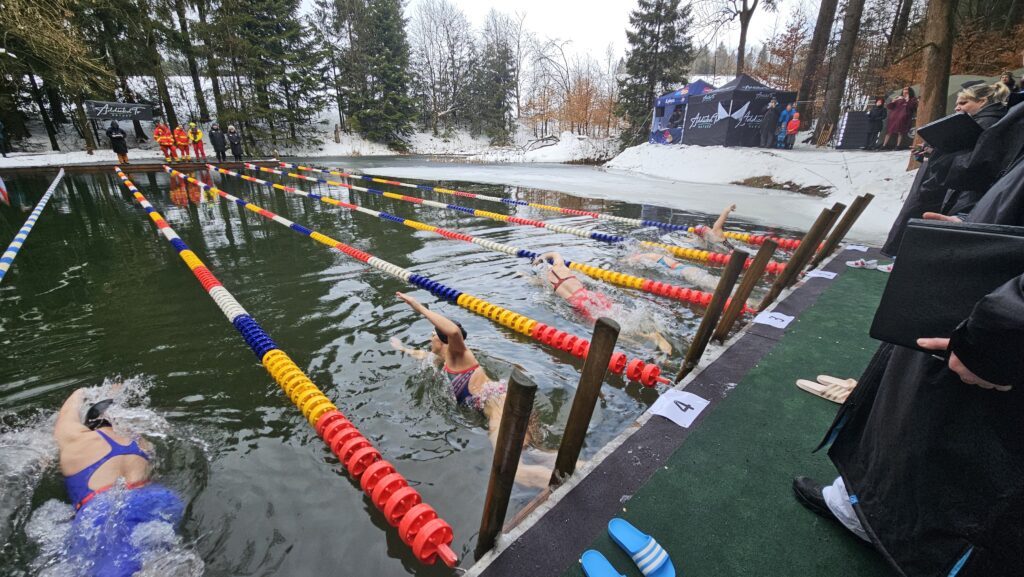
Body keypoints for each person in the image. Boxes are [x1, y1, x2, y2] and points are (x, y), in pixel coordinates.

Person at [793, 157, 1024, 576]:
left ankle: (931, 548)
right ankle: (869, 512)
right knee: (907, 419)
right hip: (980, 300)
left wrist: (1004, 329)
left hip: (997, 332)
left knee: (958, 444)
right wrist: (973, 230)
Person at [392, 292, 553, 487]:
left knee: (513, 471)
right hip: (506, 404)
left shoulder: (459, 353)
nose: (429, 337)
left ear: (442, 340)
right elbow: (422, 355)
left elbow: (453, 332)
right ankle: (581, 470)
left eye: (432, 334)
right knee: (537, 455)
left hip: (501, 411)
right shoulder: (446, 359)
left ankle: (579, 489)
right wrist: (402, 348)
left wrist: (418, 307)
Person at [55, 388, 184, 576]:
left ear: (89, 424)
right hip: (157, 498)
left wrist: (79, 393)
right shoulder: (141, 442)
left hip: (105, 509)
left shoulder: (77, 440)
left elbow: (66, 414)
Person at [881, 82, 1012, 256]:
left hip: (958, 193)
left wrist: (938, 158)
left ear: (982, 101)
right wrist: (932, 152)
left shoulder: (987, 124)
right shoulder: (977, 121)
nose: (957, 108)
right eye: (957, 103)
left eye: (963, 103)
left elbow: (974, 162)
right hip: (948, 187)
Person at [531, 251, 672, 354]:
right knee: (619, 314)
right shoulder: (561, 267)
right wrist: (541, 257)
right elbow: (555, 253)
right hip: (591, 295)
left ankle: (646, 341)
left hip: (580, 304)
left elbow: (532, 282)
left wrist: (522, 274)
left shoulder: (546, 281)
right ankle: (653, 332)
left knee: (608, 331)